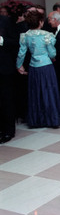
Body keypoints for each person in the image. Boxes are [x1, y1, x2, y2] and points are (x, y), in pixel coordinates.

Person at [16, 11, 60, 128]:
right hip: (46, 66)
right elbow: (52, 53)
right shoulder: (47, 35)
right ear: (40, 22)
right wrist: (52, 57)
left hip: (33, 66)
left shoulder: (25, 36)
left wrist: (19, 65)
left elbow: (21, 53)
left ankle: (38, 120)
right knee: (49, 92)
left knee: (36, 93)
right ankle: (53, 119)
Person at [0, 14, 18, 144]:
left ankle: (9, 130)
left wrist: (1, 40)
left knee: (6, 99)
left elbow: (15, 41)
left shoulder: (5, 20)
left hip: (4, 68)